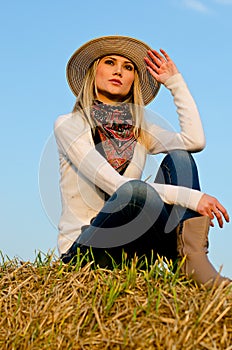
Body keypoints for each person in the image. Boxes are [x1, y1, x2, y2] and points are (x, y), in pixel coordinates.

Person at [54, 35, 230, 287]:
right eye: (110, 63)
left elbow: (194, 140)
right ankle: (186, 261)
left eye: (128, 68)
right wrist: (193, 198)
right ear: (94, 71)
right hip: (87, 251)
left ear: (133, 80)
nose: (119, 71)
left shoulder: (140, 129)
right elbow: (118, 187)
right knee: (135, 191)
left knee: (180, 158)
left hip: (135, 252)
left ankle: (193, 262)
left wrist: (175, 83)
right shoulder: (70, 125)